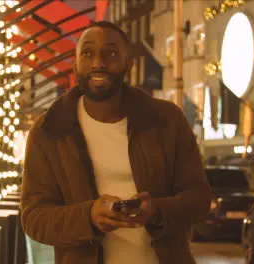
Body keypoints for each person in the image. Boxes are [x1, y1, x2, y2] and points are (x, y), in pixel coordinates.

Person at [20, 21, 211, 264]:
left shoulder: (167, 121)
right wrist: (89, 216)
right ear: (75, 64)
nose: (99, 63)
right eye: (88, 53)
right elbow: (34, 218)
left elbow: (199, 200)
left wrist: (155, 211)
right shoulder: (50, 130)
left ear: (128, 64)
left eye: (110, 53)